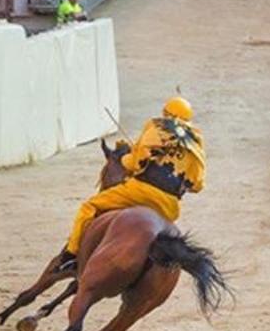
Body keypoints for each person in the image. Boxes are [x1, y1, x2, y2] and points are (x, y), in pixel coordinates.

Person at [59, 96, 206, 266]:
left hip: (140, 192)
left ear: (166, 113)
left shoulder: (157, 129)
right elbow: (197, 185)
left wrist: (124, 159)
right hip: (169, 207)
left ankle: (71, 254)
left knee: (89, 206)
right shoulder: (196, 144)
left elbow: (136, 163)